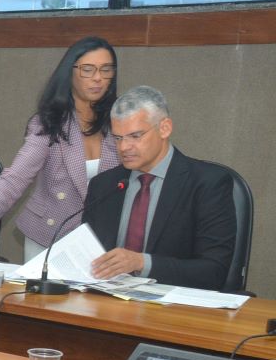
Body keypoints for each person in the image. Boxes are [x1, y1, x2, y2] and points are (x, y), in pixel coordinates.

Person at [0, 36, 119, 260]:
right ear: (70, 72)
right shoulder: (49, 123)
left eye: (106, 70)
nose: (98, 78)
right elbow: (16, 177)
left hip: (101, 239)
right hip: (50, 236)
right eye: (88, 69)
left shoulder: (121, 121)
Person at [85, 86, 236, 290]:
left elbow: (213, 271)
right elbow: (88, 255)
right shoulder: (104, 185)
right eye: (118, 138)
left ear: (164, 128)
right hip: (106, 299)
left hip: (174, 302)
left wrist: (141, 262)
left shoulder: (208, 184)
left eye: (135, 136)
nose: (123, 147)